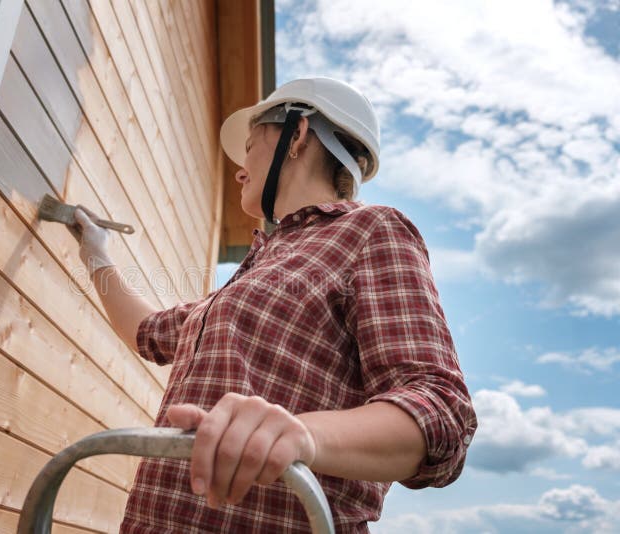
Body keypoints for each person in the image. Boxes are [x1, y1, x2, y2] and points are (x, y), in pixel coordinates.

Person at [71, 77, 478, 532]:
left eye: (249, 146)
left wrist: (301, 436)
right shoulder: (256, 269)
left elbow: (439, 410)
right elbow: (146, 330)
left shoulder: (370, 230)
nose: (240, 168)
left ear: (297, 133)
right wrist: (95, 253)